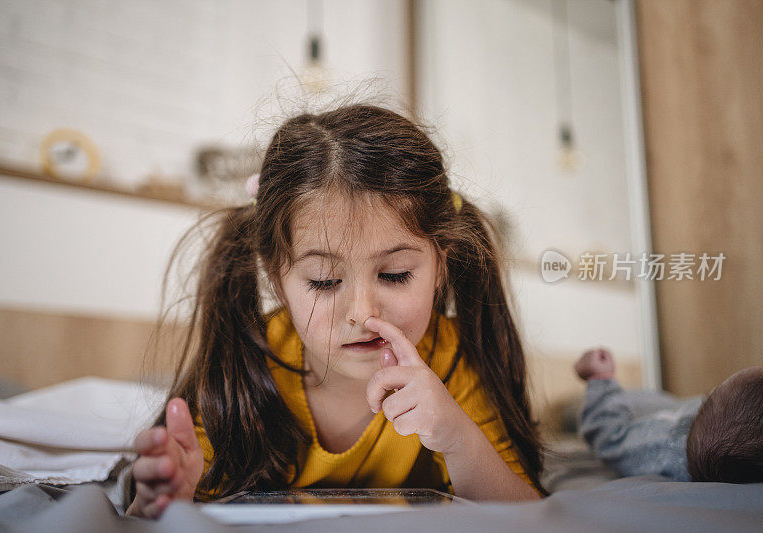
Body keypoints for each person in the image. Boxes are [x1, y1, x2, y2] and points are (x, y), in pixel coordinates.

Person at [125, 104, 545, 518]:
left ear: (441, 267)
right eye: (324, 281)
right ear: (277, 280)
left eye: (396, 275)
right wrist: (162, 504)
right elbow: (153, 508)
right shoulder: (244, 362)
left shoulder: (451, 361)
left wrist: (458, 438)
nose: (362, 314)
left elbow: (530, 515)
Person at [575, 347, 763, 483]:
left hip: (654, 415)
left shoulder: (665, 446)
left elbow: (608, 438)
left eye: (711, 396)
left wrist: (601, 378)